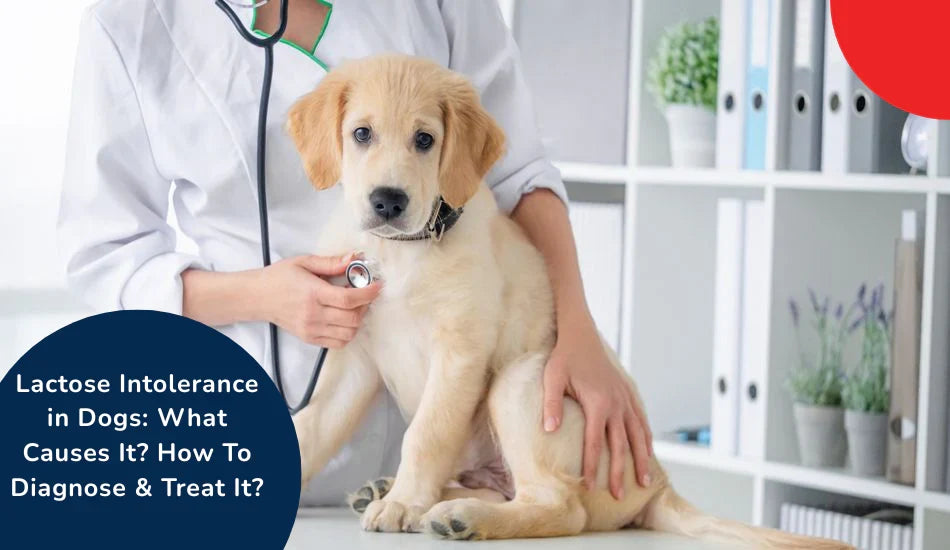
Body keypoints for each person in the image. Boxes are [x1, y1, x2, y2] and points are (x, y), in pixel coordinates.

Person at [58, 0, 653, 505]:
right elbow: (104, 255)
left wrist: (579, 333)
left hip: (429, 452)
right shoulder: (131, 18)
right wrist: (265, 295)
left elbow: (516, 171)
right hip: (222, 431)